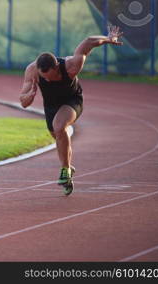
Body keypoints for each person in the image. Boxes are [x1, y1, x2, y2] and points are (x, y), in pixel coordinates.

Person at [19, 25, 123, 196]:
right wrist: (29, 96)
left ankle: (65, 169)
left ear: (56, 68)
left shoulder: (71, 66)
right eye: (43, 77)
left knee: (59, 126)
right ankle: (68, 170)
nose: (47, 80)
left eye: (50, 76)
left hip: (72, 101)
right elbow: (23, 102)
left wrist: (108, 39)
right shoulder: (32, 71)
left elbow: (88, 42)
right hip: (51, 106)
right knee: (59, 137)